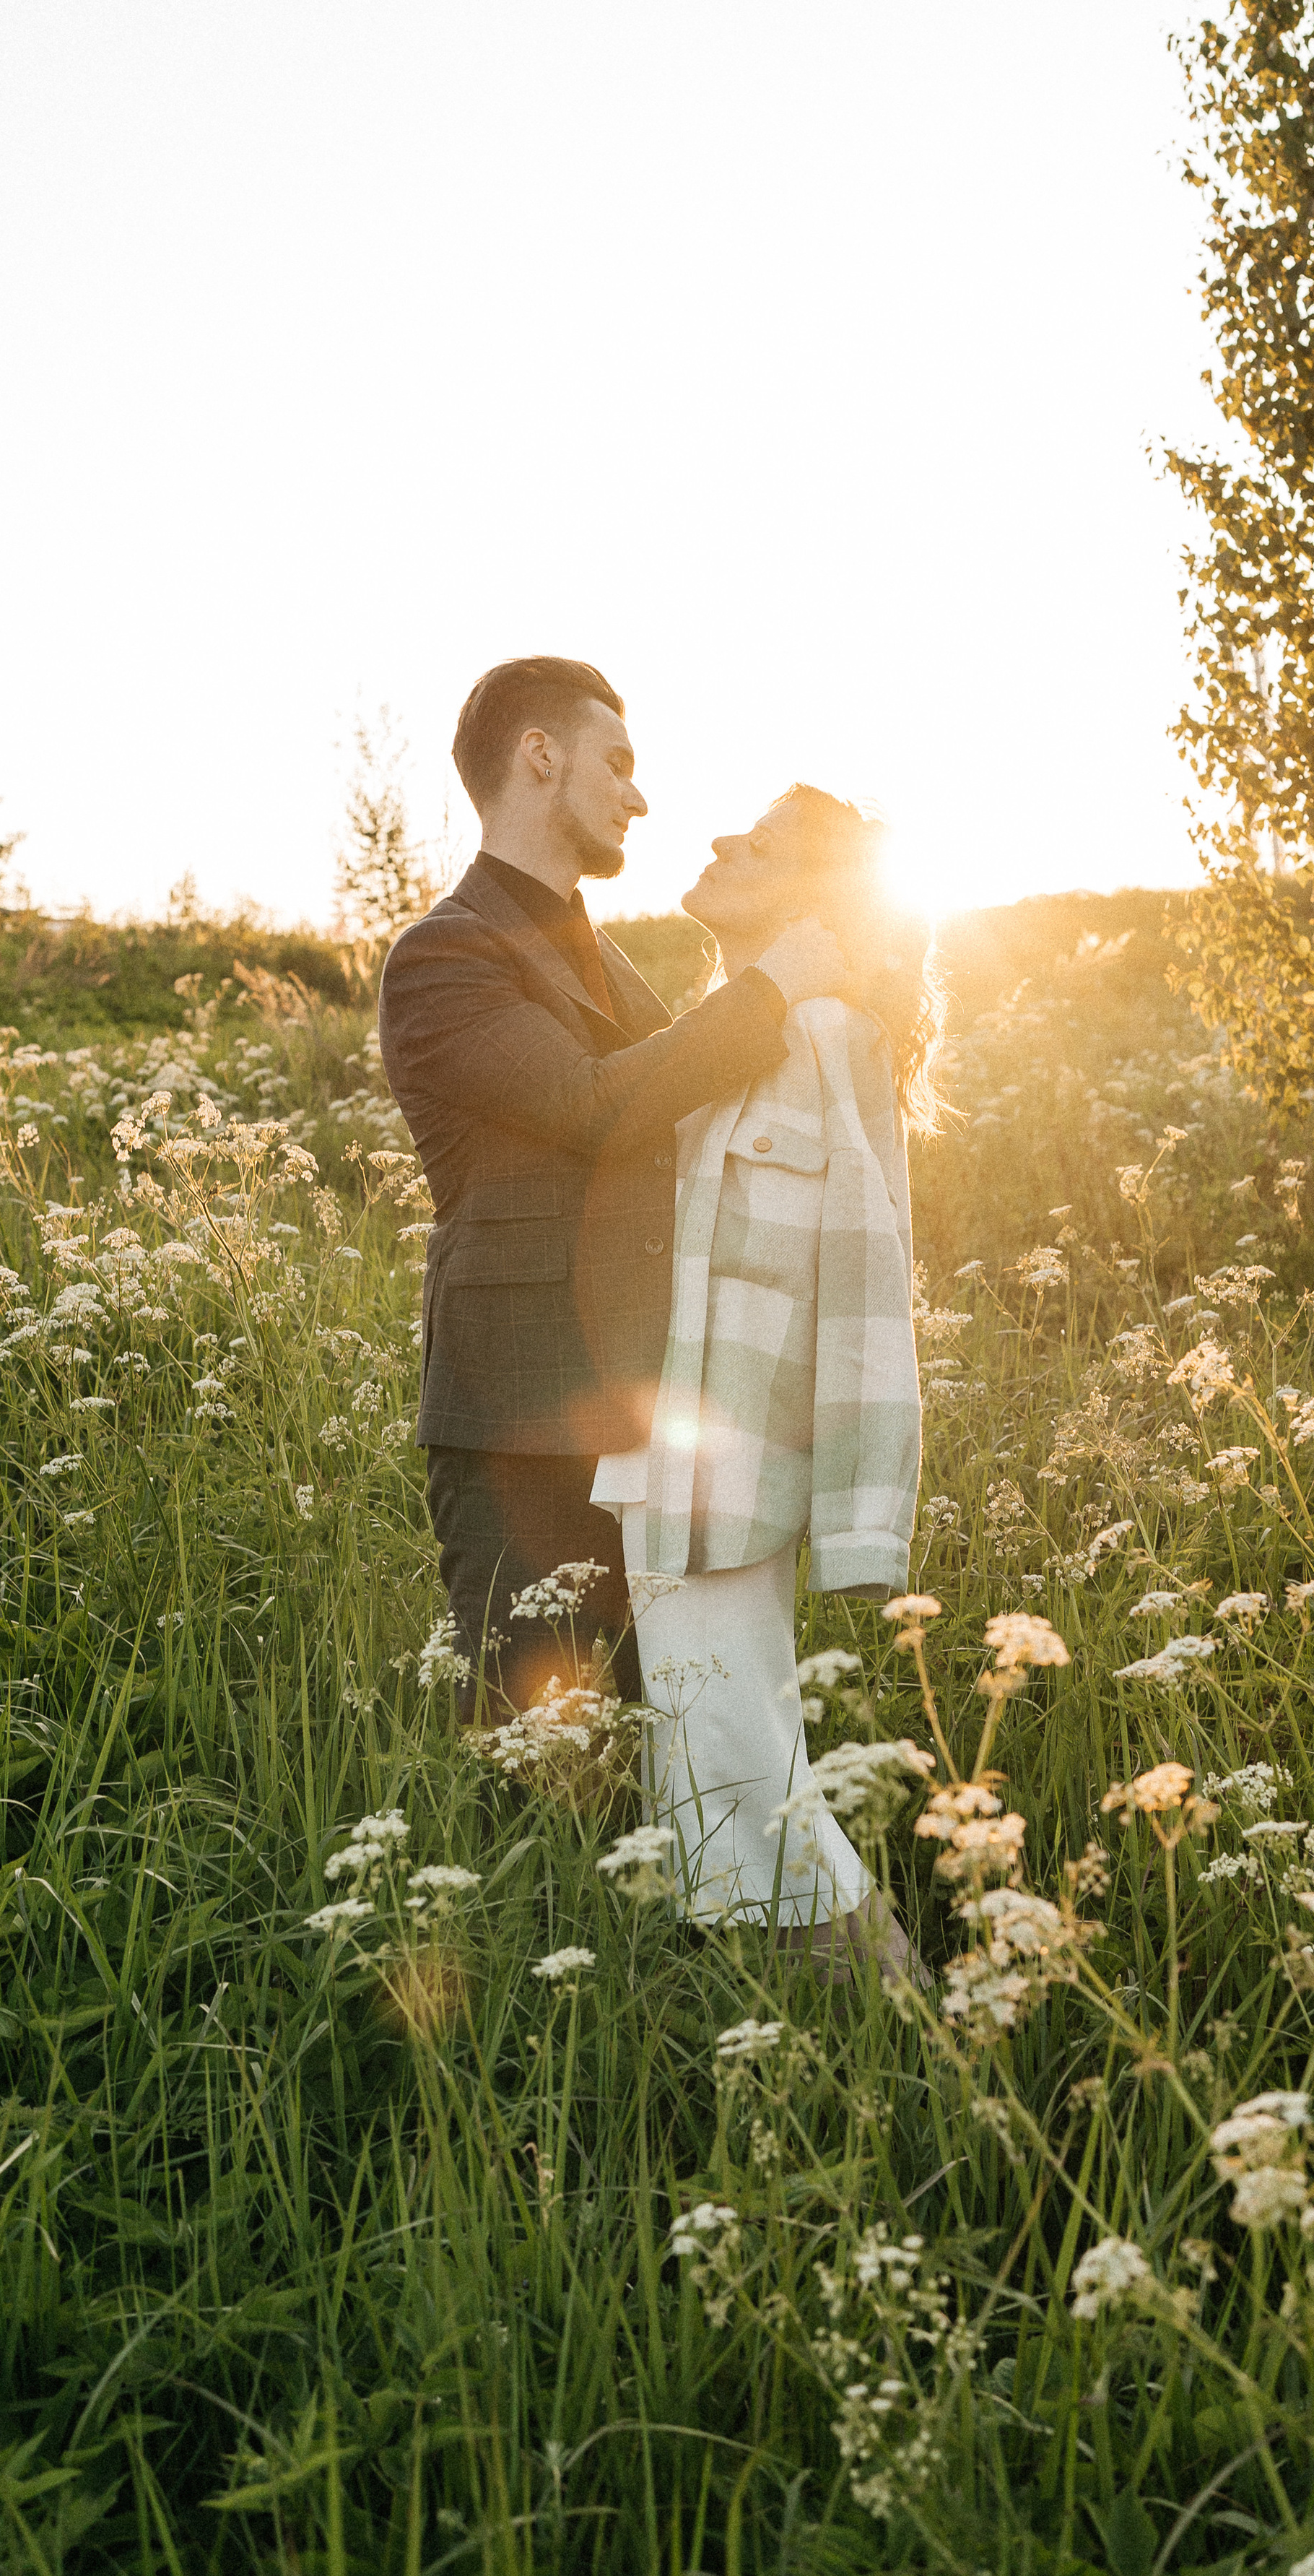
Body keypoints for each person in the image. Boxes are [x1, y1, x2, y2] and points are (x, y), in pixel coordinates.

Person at [378, 658, 849, 1719]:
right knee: (533, 1760)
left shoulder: (609, 960)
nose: (639, 797)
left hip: (643, 1425)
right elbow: (591, 1105)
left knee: (661, 1752)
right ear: (540, 757)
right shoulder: (442, 956)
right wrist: (772, 986)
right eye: (619, 764)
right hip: (517, 1435)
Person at [591, 786, 943, 1983]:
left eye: (762, 845)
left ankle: (920, 2038)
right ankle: (779, 2027)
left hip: (741, 1481)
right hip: (656, 1467)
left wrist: (862, 1524)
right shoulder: (716, 1036)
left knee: (747, 1779)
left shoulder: (833, 1035)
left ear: (813, 900)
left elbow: (868, 1283)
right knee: (702, 1781)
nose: (720, 842)